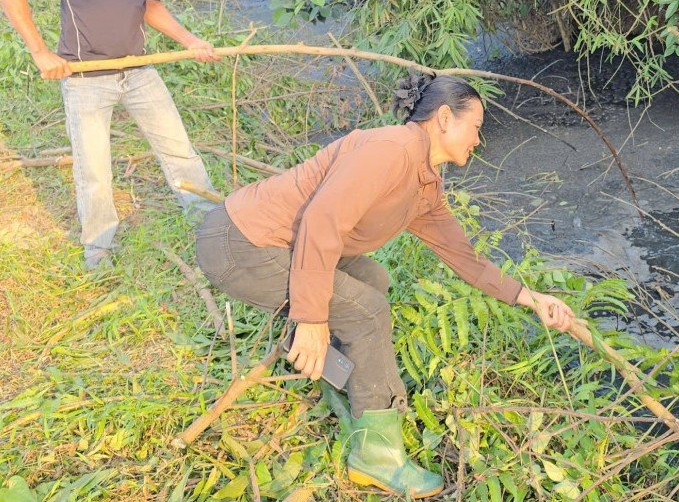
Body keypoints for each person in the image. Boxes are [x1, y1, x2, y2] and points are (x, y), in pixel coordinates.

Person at [194, 73, 575, 498]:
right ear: (445, 118)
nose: (478, 140)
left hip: (277, 244)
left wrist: (530, 296)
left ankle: (342, 385)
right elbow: (322, 221)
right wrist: (311, 318)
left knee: (373, 280)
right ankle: (374, 457)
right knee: (366, 313)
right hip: (240, 244)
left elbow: (464, 257)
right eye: (477, 127)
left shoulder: (424, 181)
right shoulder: (390, 150)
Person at [0, 0, 219, 271]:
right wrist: (41, 53)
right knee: (95, 169)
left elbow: (150, 6)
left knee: (181, 154)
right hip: (86, 80)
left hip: (139, 71)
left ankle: (212, 230)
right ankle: (98, 251)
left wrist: (190, 41)